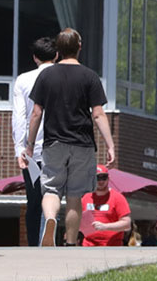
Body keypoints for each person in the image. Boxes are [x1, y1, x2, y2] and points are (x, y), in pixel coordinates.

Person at [23, 28, 117, 247]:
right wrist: (110, 145)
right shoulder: (89, 76)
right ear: (79, 47)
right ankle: (71, 243)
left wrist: (29, 145)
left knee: (51, 189)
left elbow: (36, 113)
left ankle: (49, 220)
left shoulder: (46, 75)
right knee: (75, 195)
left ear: (57, 51)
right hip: (82, 143)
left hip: (53, 142)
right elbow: (98, 114)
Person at [12, 37, 56, 245]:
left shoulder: (23, 80)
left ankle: (33, 244)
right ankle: (50, 237)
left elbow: (20, 117)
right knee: (55, 197)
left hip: (32, 150)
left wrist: (20, 148)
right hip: (59, 146)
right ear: (56, 55)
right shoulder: (62, 76)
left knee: (34, 200)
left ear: (35, 57)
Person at [78, 166, 133, 247]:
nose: (100, 181)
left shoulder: (118, 198)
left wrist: (105, 227)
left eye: (103, 177)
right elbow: (78, 219)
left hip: (112, 246)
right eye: (97, 178)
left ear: (108, 178)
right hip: (88, 245)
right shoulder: (85, 197)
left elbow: (127, 224)